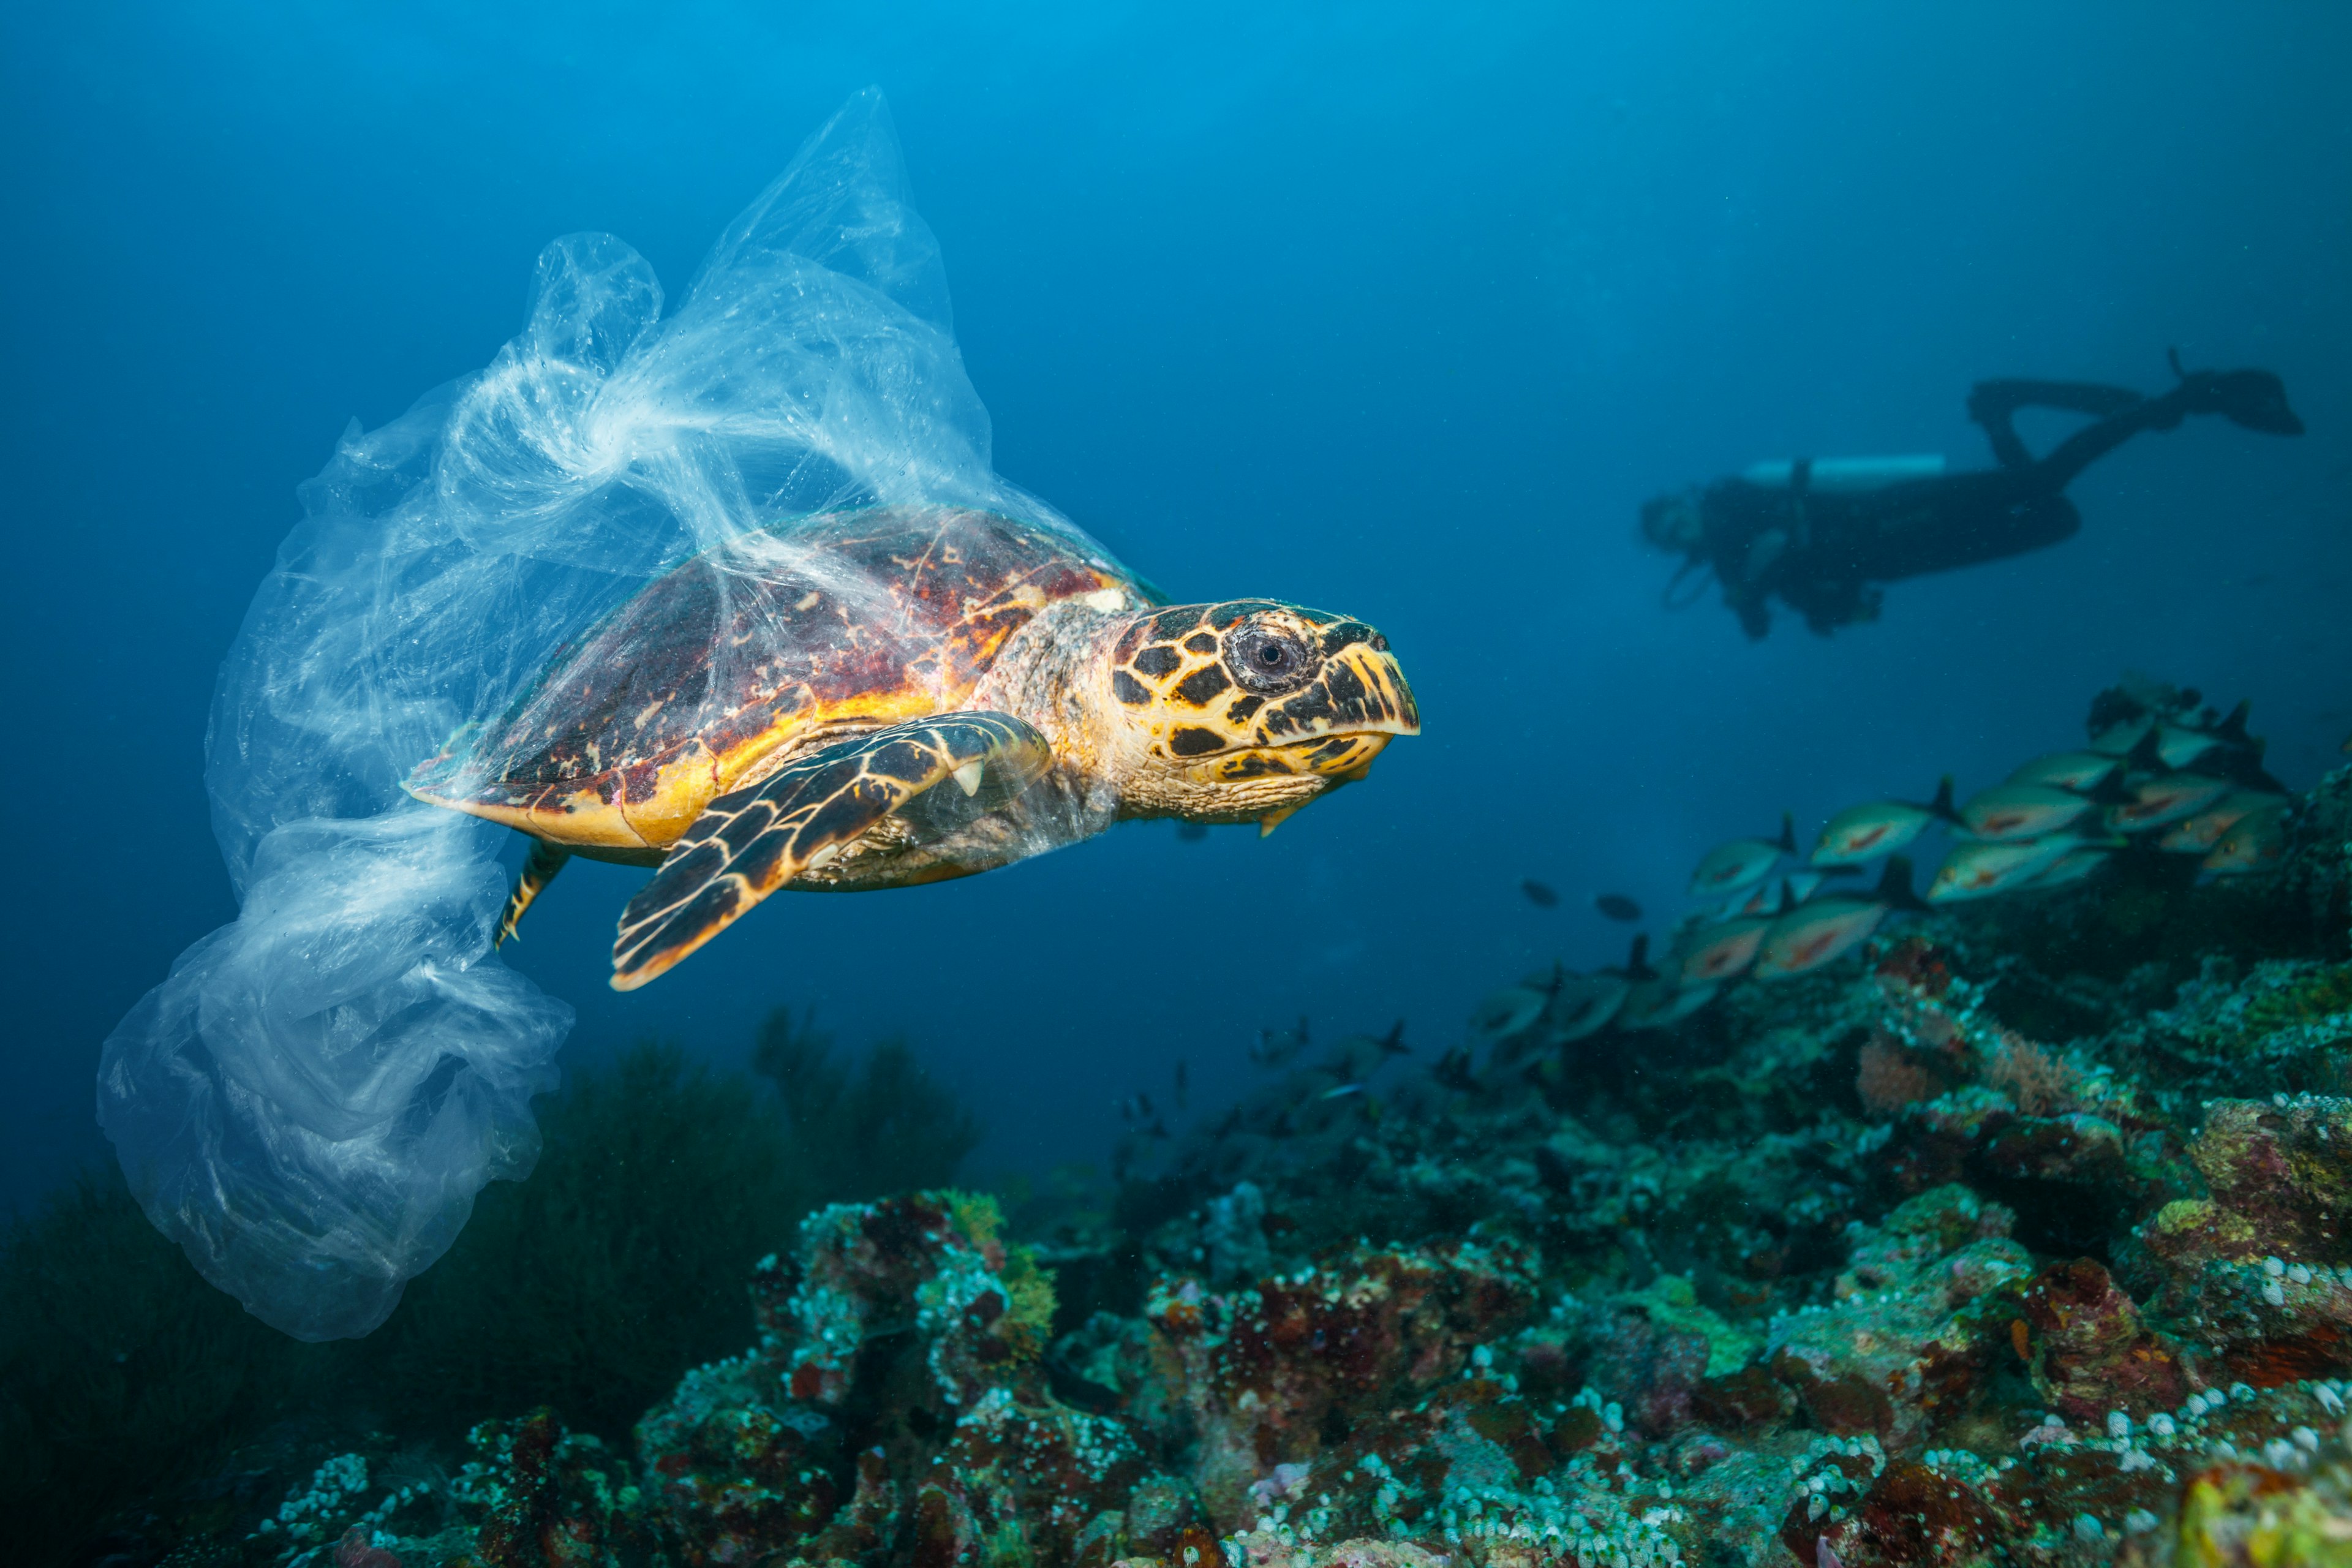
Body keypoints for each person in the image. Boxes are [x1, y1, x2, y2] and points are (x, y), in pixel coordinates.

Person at [1640, 352, 2304, 639]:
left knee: (2043, 488)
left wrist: (1750, 586)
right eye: (1672, 539)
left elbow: (1784, 536)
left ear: (1684, 502)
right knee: (2057, 518)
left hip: (1890, 515)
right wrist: (1828, 612)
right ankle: (1999, 414)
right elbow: (1810, 585)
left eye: (1675, 522)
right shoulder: (1728, 564)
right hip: (1902, 558)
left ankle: (2185, 398)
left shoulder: (1729, 502)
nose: (1683, 536)